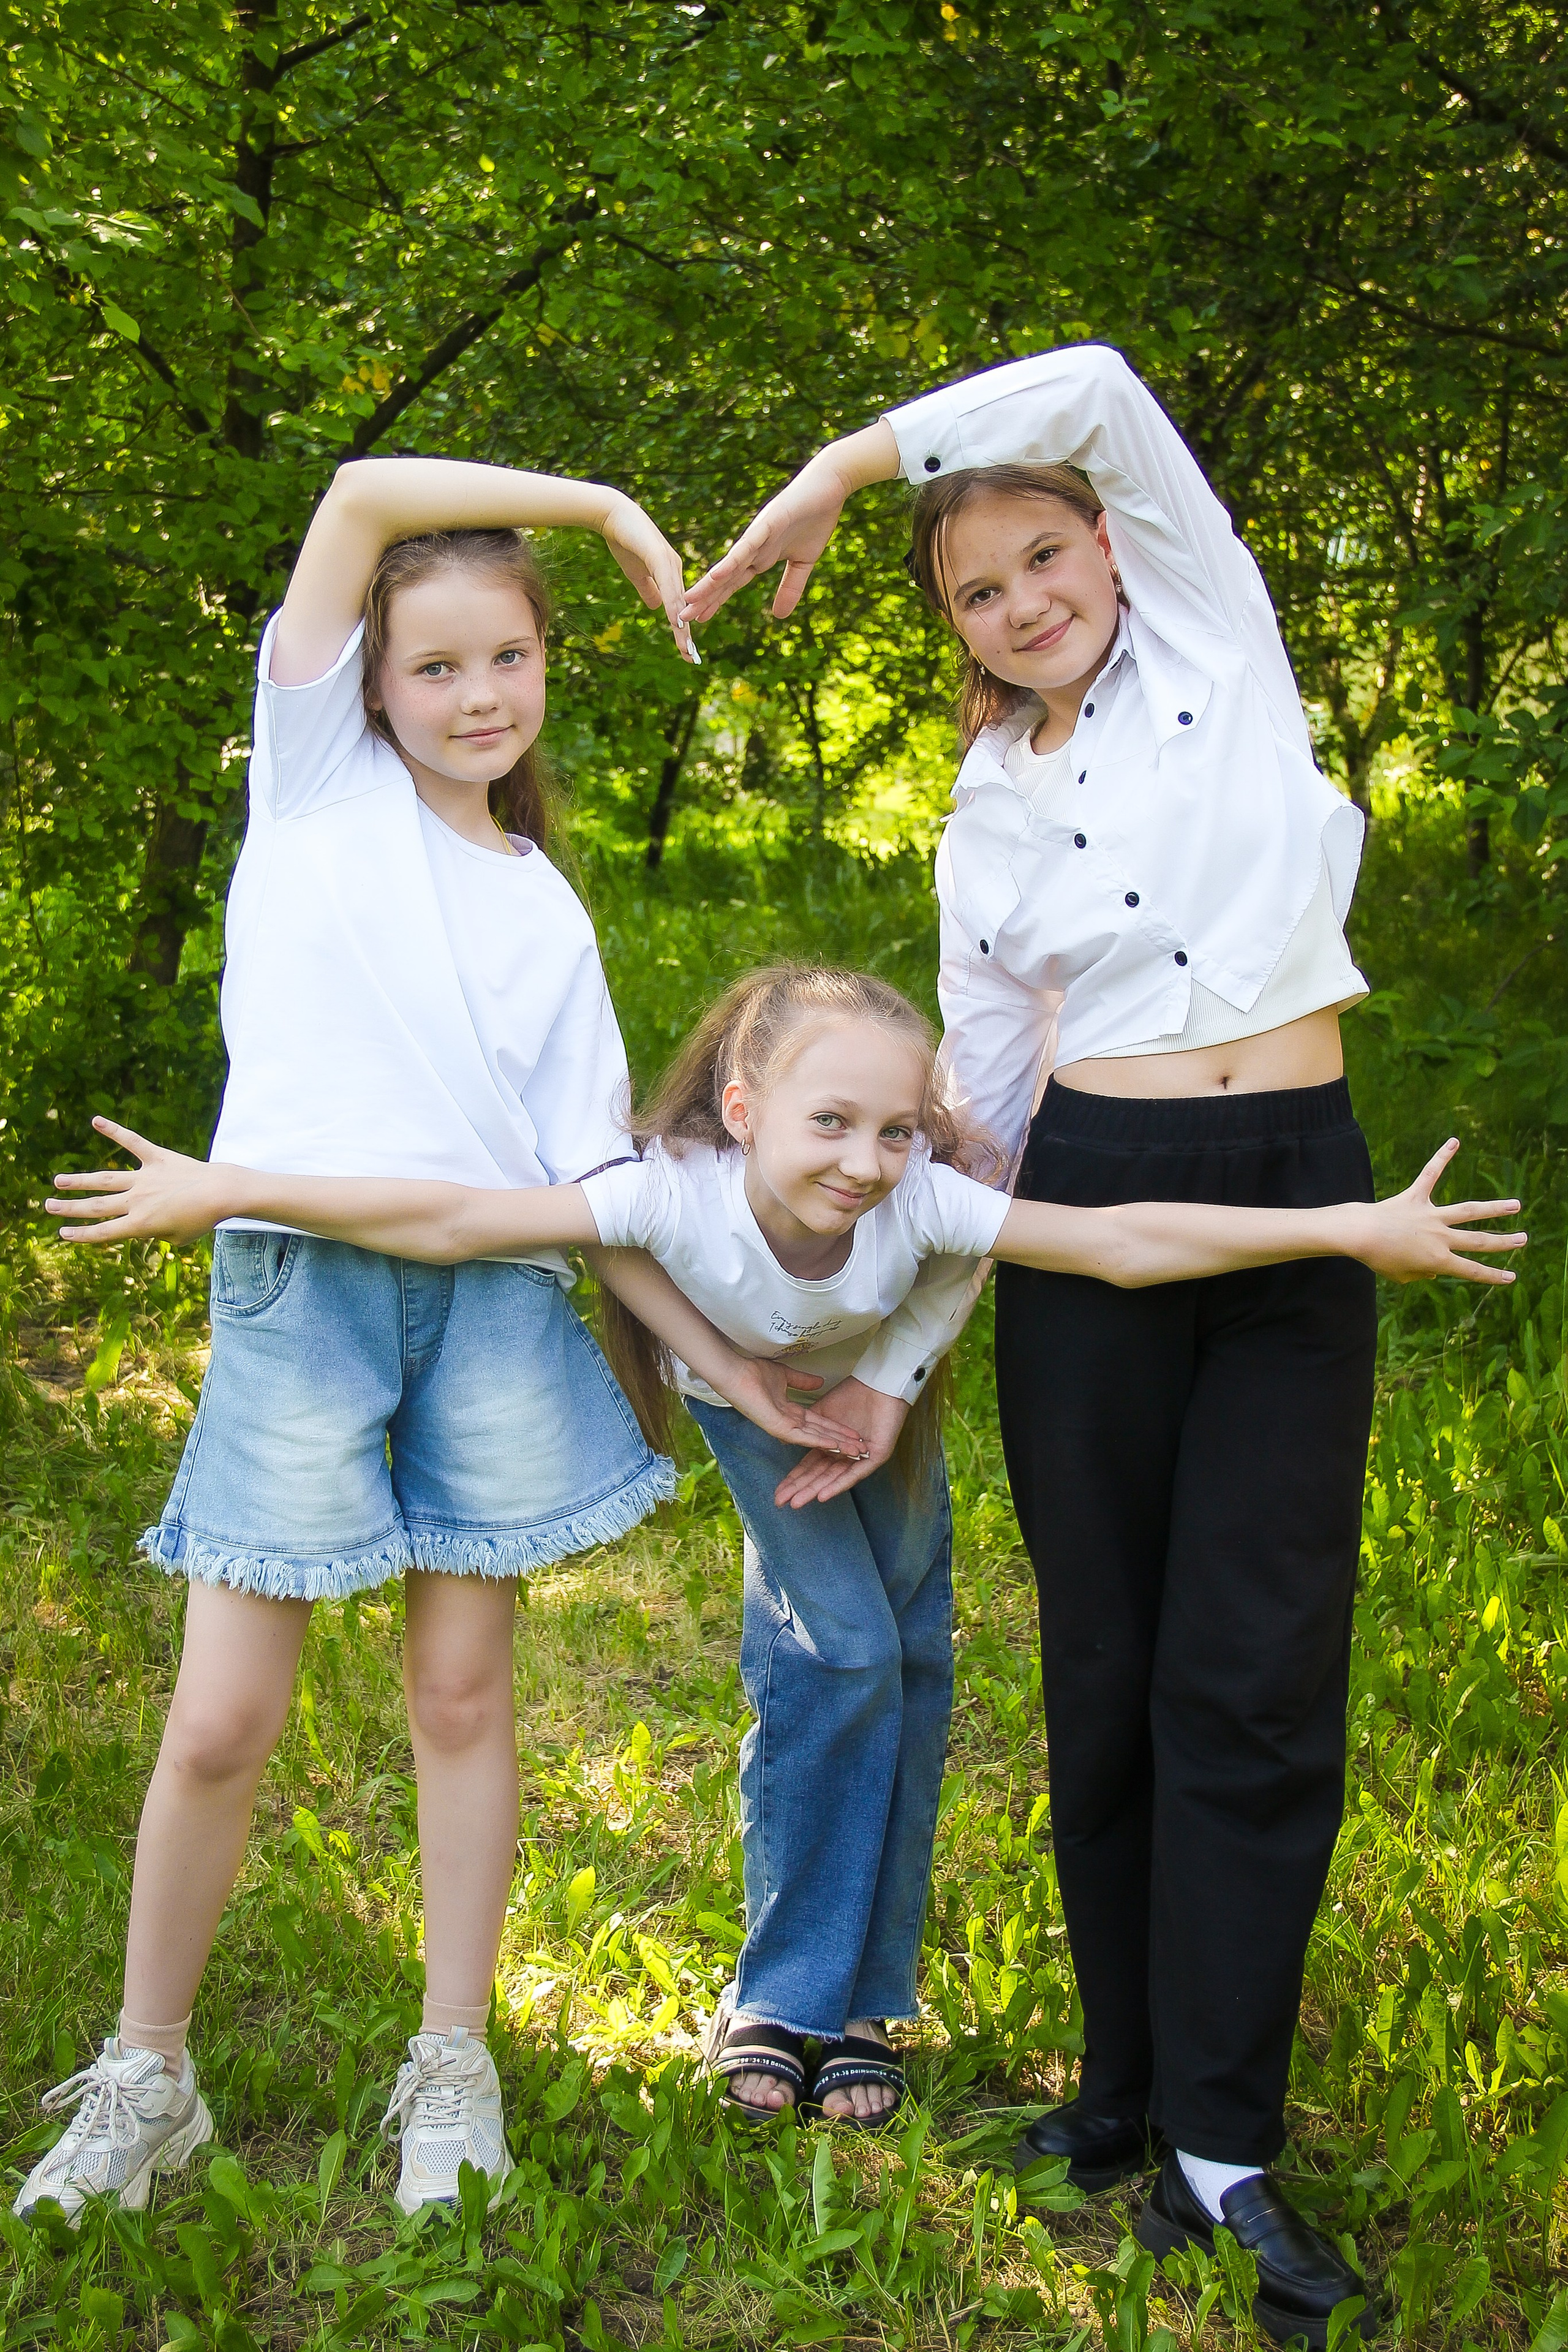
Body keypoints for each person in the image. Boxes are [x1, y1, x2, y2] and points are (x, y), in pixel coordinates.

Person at [47, 970, 1519, 2150]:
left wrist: (1344, 1229)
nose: (868, 1165)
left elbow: (1117, 1240)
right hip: (749, 1406)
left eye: (896, 1131)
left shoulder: (921, 1200)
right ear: (742, 1108)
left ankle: (866, 2005)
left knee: (919, 1665)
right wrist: (230, 1187)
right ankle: (781, 1999)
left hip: (880, 1396)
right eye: (827, 1125)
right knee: (849, 1656)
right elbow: (450, 1214)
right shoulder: (667, 1192)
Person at [682, 342, 1468, 2339]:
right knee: (1107, 1669)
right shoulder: (980, 817)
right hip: (1091, 1208)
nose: (1025, 601)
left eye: (1047, 556)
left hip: (1292, 1195)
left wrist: (846, 467)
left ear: (1114, 550)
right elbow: (989, 1126)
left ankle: (1226, 2142)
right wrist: (899, 1359)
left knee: (1256, 1676)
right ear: (951, 627)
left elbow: (1103, 384)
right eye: (979, 587)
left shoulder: (1222, 649)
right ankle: (1121, 2103)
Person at [12, 459, 865, 2230]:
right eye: (437, 667)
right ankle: (145, 2071)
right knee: (222, 1722)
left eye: (511, 662)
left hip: (489, 1314)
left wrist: (723, 1355)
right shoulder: (316, 793)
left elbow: (595, 1191)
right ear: (371, 688)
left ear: (548, 670)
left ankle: (450, 2057)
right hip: (301, 1303)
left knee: (461, 1698)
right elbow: (352, 494)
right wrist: (616, 509)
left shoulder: (546, 906)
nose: (478, 698)